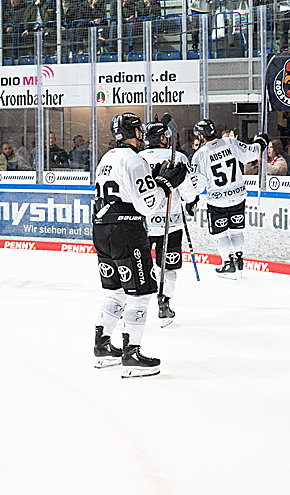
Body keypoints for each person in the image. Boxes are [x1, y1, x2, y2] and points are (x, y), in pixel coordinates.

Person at [91, 113, 186, 378]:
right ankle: (131, 354)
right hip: (127, 231)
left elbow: (125, 190)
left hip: (102, 230)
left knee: (116, 292)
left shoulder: (106, 159)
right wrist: (166, 184)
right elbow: (147, 204)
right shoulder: (134, 160)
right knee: (140, 293)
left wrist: (154, 180)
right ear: (136, 133)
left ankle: (102, 346)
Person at [187, 118, 268, 278]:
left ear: (202, 137)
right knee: (236, 229)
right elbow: (250, 154)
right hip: (238, 196)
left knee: (220, 233)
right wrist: (261, 142)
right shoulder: (230, 143)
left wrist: (191, 200)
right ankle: (239, 258)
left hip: (217, 201)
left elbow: (199, 185)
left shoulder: (200, 155)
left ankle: (227, 262)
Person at [137, 121, 199, 325]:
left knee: (140, 263)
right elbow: (189, 190)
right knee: (168, 267)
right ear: (162, 139)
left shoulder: (138, 159)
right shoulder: (178, 157)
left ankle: (132, 304)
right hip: (171, 223)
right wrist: (191, 201)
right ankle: (164, 303)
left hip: (143, 222)